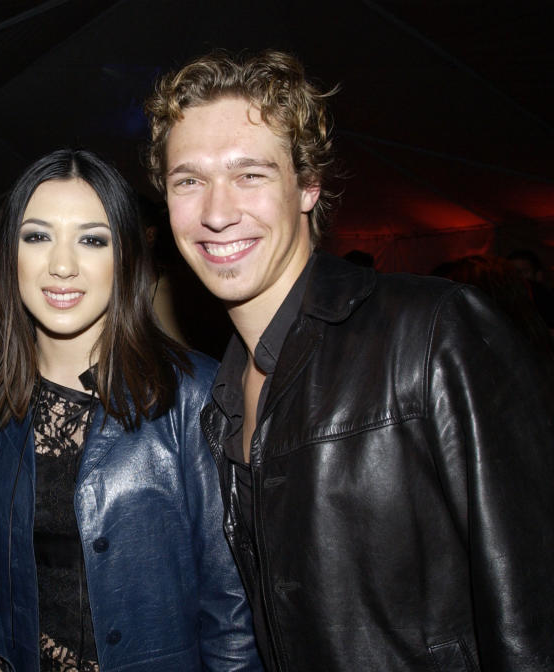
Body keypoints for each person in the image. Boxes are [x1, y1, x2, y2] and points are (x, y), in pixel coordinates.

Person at [145, 49, 554, 671]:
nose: (216, 211)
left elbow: (532, 612)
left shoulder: (432, 331)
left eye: (250, 174)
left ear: (308, 186)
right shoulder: (219, 393)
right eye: (188, 181)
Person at [0, 149, 260, 672]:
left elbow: (231, 603)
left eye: (92, 239)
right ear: (10, 254)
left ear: (127, 257)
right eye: (37, 236)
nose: (63, 265)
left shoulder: (193, 394)